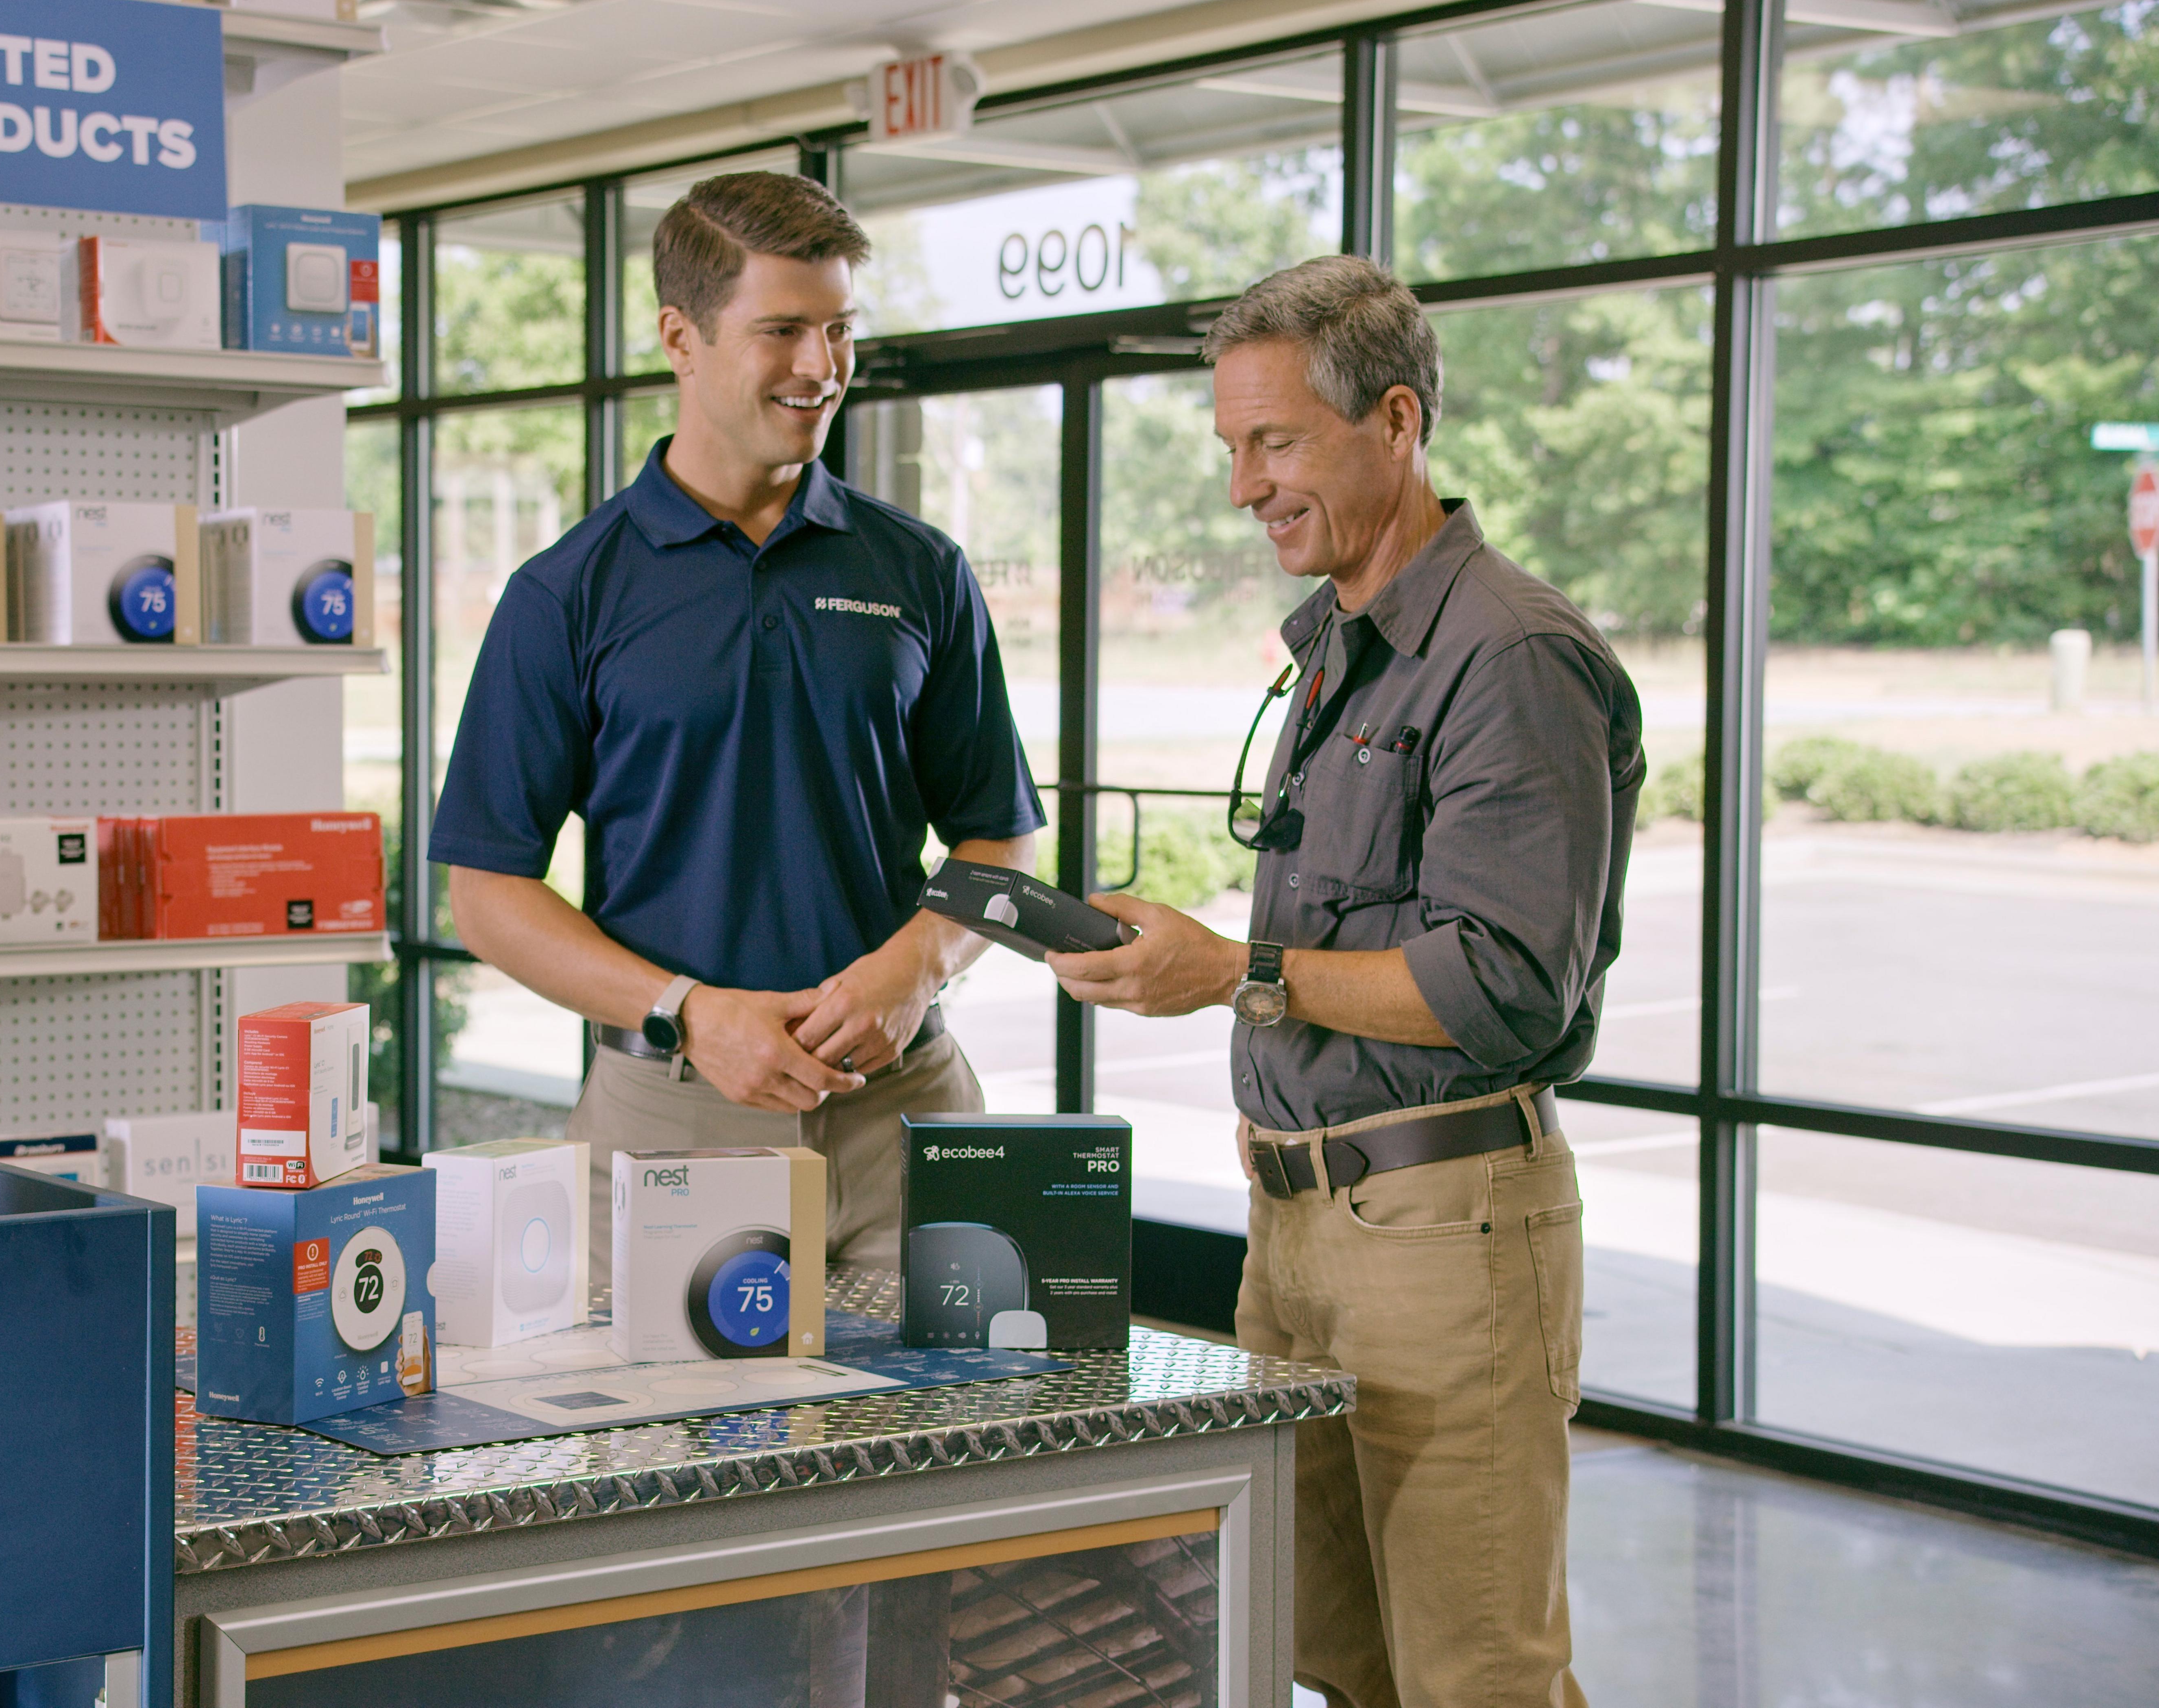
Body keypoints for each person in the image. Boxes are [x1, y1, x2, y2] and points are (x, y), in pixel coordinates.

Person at [1047, 255, 1641, 1708]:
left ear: (1396, 419)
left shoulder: (1511, 656)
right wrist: (1186, 956)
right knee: (1339, 1653)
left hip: (1443, 1236)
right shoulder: (1338, 649)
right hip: (1299, 1230)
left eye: (1276, 443)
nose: (1245, 485)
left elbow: (1505, 988)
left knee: (1475, 1672)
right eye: (1230, 448)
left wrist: (1230, 971)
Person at [429, 172, 1045, 1287]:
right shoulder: (565, 595)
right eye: (782, 330)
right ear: (682, 337)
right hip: (669, 1118)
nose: (822, 366)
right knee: (660, 1463)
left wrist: (919, 966)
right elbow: (487, 892)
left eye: (839, 329)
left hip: (904, 1115)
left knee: (951, 1458)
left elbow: (1002, 842)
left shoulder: (920, 572)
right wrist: (686, 1011)